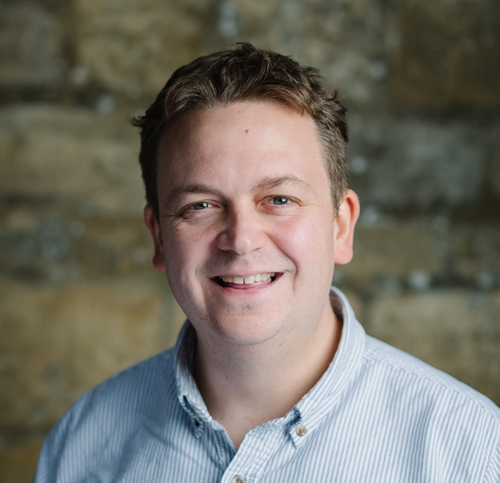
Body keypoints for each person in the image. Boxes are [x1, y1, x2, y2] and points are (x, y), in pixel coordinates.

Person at [34, 43, 499, 482]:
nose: (241, 240)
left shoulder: (471, 452)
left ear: (341, 226)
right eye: (200, 206)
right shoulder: (86, 441)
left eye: (279, 198)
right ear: (158, 235)